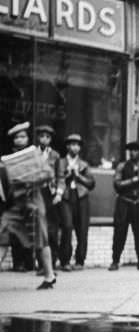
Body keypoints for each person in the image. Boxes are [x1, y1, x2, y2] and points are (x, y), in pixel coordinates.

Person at [0, 122, 57, 289]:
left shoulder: (35, 155)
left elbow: (48, 174)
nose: (20, 139)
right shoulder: (6, 160)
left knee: (40, 239)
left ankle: (49, 275)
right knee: (2, 235)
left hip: (33, 202)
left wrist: (27, 177)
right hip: (15, 205)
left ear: (27, 139)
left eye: (23, 136)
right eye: (16, 137)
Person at [109, 141, 139, 271]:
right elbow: (117, 185)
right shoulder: (122, 166)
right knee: (119, 232)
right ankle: (115, 261)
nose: (134, 153)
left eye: (137, 151)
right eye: (132, 150)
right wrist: (133, 180)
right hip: (124, 202)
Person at [58, 134, 95, 271]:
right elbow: (57, 178)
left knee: (82, 229)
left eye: (77, 145)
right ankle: (65, 261)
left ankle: (80, 261)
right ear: (67, 146)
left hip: (81, 197)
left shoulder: (84, 164)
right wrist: (68, 174)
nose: (75, 147)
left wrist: (79, 176)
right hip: (66, 196)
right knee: (67, 227)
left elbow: (91, 184)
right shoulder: (61, 162)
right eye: (72, 144)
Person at [35, 124, 62, 271]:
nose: (44, 139)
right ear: (38, 138)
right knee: (39, 229)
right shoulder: (32, 154)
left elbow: (60, 176)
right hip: (37, 192)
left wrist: (59, 193)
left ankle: (52, 264)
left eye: (47, 137)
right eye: (41, 136)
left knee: (52, 230)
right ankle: (41, 265)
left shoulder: (55, 155)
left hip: (50, 193)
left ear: (50, 139)